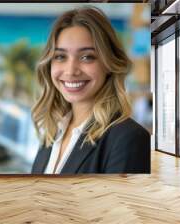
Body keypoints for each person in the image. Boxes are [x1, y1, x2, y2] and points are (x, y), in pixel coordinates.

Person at [31, 6, 150, 174]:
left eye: (87, 57)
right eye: (60, 56)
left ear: (109, 64)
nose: (71, 70)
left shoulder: (130, 139)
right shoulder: (51, 134)